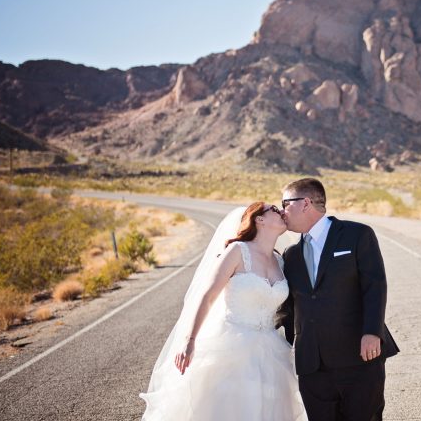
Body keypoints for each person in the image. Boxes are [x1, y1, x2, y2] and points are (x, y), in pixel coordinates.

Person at [140, 202, 307, 420]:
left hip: (271, 349)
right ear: (259, 219)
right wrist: (190, 340)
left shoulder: (279, 260)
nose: (281, 212)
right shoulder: (237, 251)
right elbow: (208, 297)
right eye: (274, 209)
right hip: (232, 345)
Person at [277, 178, 399, 421]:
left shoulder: (357, 234)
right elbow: (288, 308)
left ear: (305, 203)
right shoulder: (290, 256)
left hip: (360, 355)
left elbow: (374, 286)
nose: (281, 211)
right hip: (312, 365)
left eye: (285, 203)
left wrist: (372, 332)